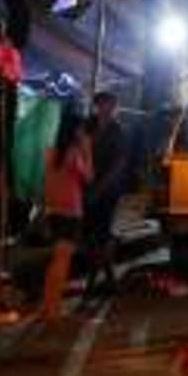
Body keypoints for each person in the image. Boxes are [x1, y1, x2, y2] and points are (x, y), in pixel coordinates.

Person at [39, 108, 93, 321]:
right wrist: (88, 150)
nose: (83, 132)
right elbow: (89, 177)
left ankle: (47, 305)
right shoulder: (74, 154)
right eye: (81, 129)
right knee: (63, 260)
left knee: (55, 259)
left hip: (53, 210)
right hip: (71, 211)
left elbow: (46, 182)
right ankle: (54, 309)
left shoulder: (50, 152)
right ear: (74, 130)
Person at [83, 92, 130, 296]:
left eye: (111, 105)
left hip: (108, 190)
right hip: (86, 187)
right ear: (97, 105)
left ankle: (96, 282)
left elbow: (119, 164)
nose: (108, 109)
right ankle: (107, 279)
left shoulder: (117, 130)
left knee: (102, 235)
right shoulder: (87, 126)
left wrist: (100, 188)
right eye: (104, 104)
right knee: (91, 237)